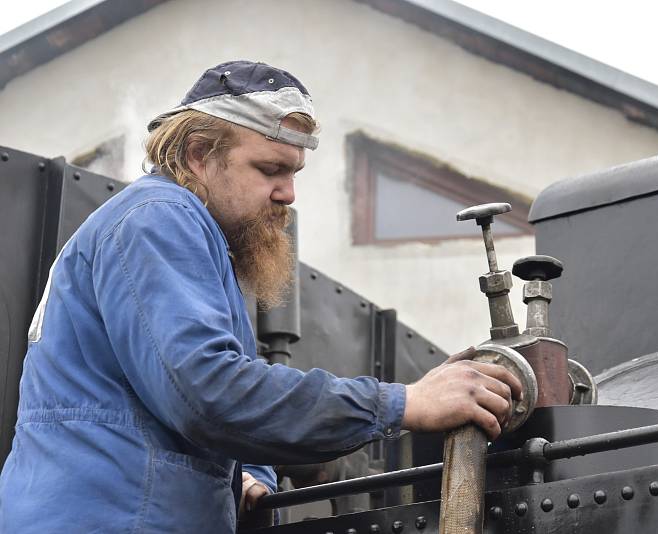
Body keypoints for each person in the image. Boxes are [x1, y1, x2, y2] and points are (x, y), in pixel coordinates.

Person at [0, 61, 522, 533]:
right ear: (199, 155)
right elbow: (207, 392)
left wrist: (249, 468)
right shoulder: (160, 217)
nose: (288, 194)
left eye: (293, 173)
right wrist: (404, 402)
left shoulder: (182, 234)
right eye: (270, 169)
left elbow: (177, 399)